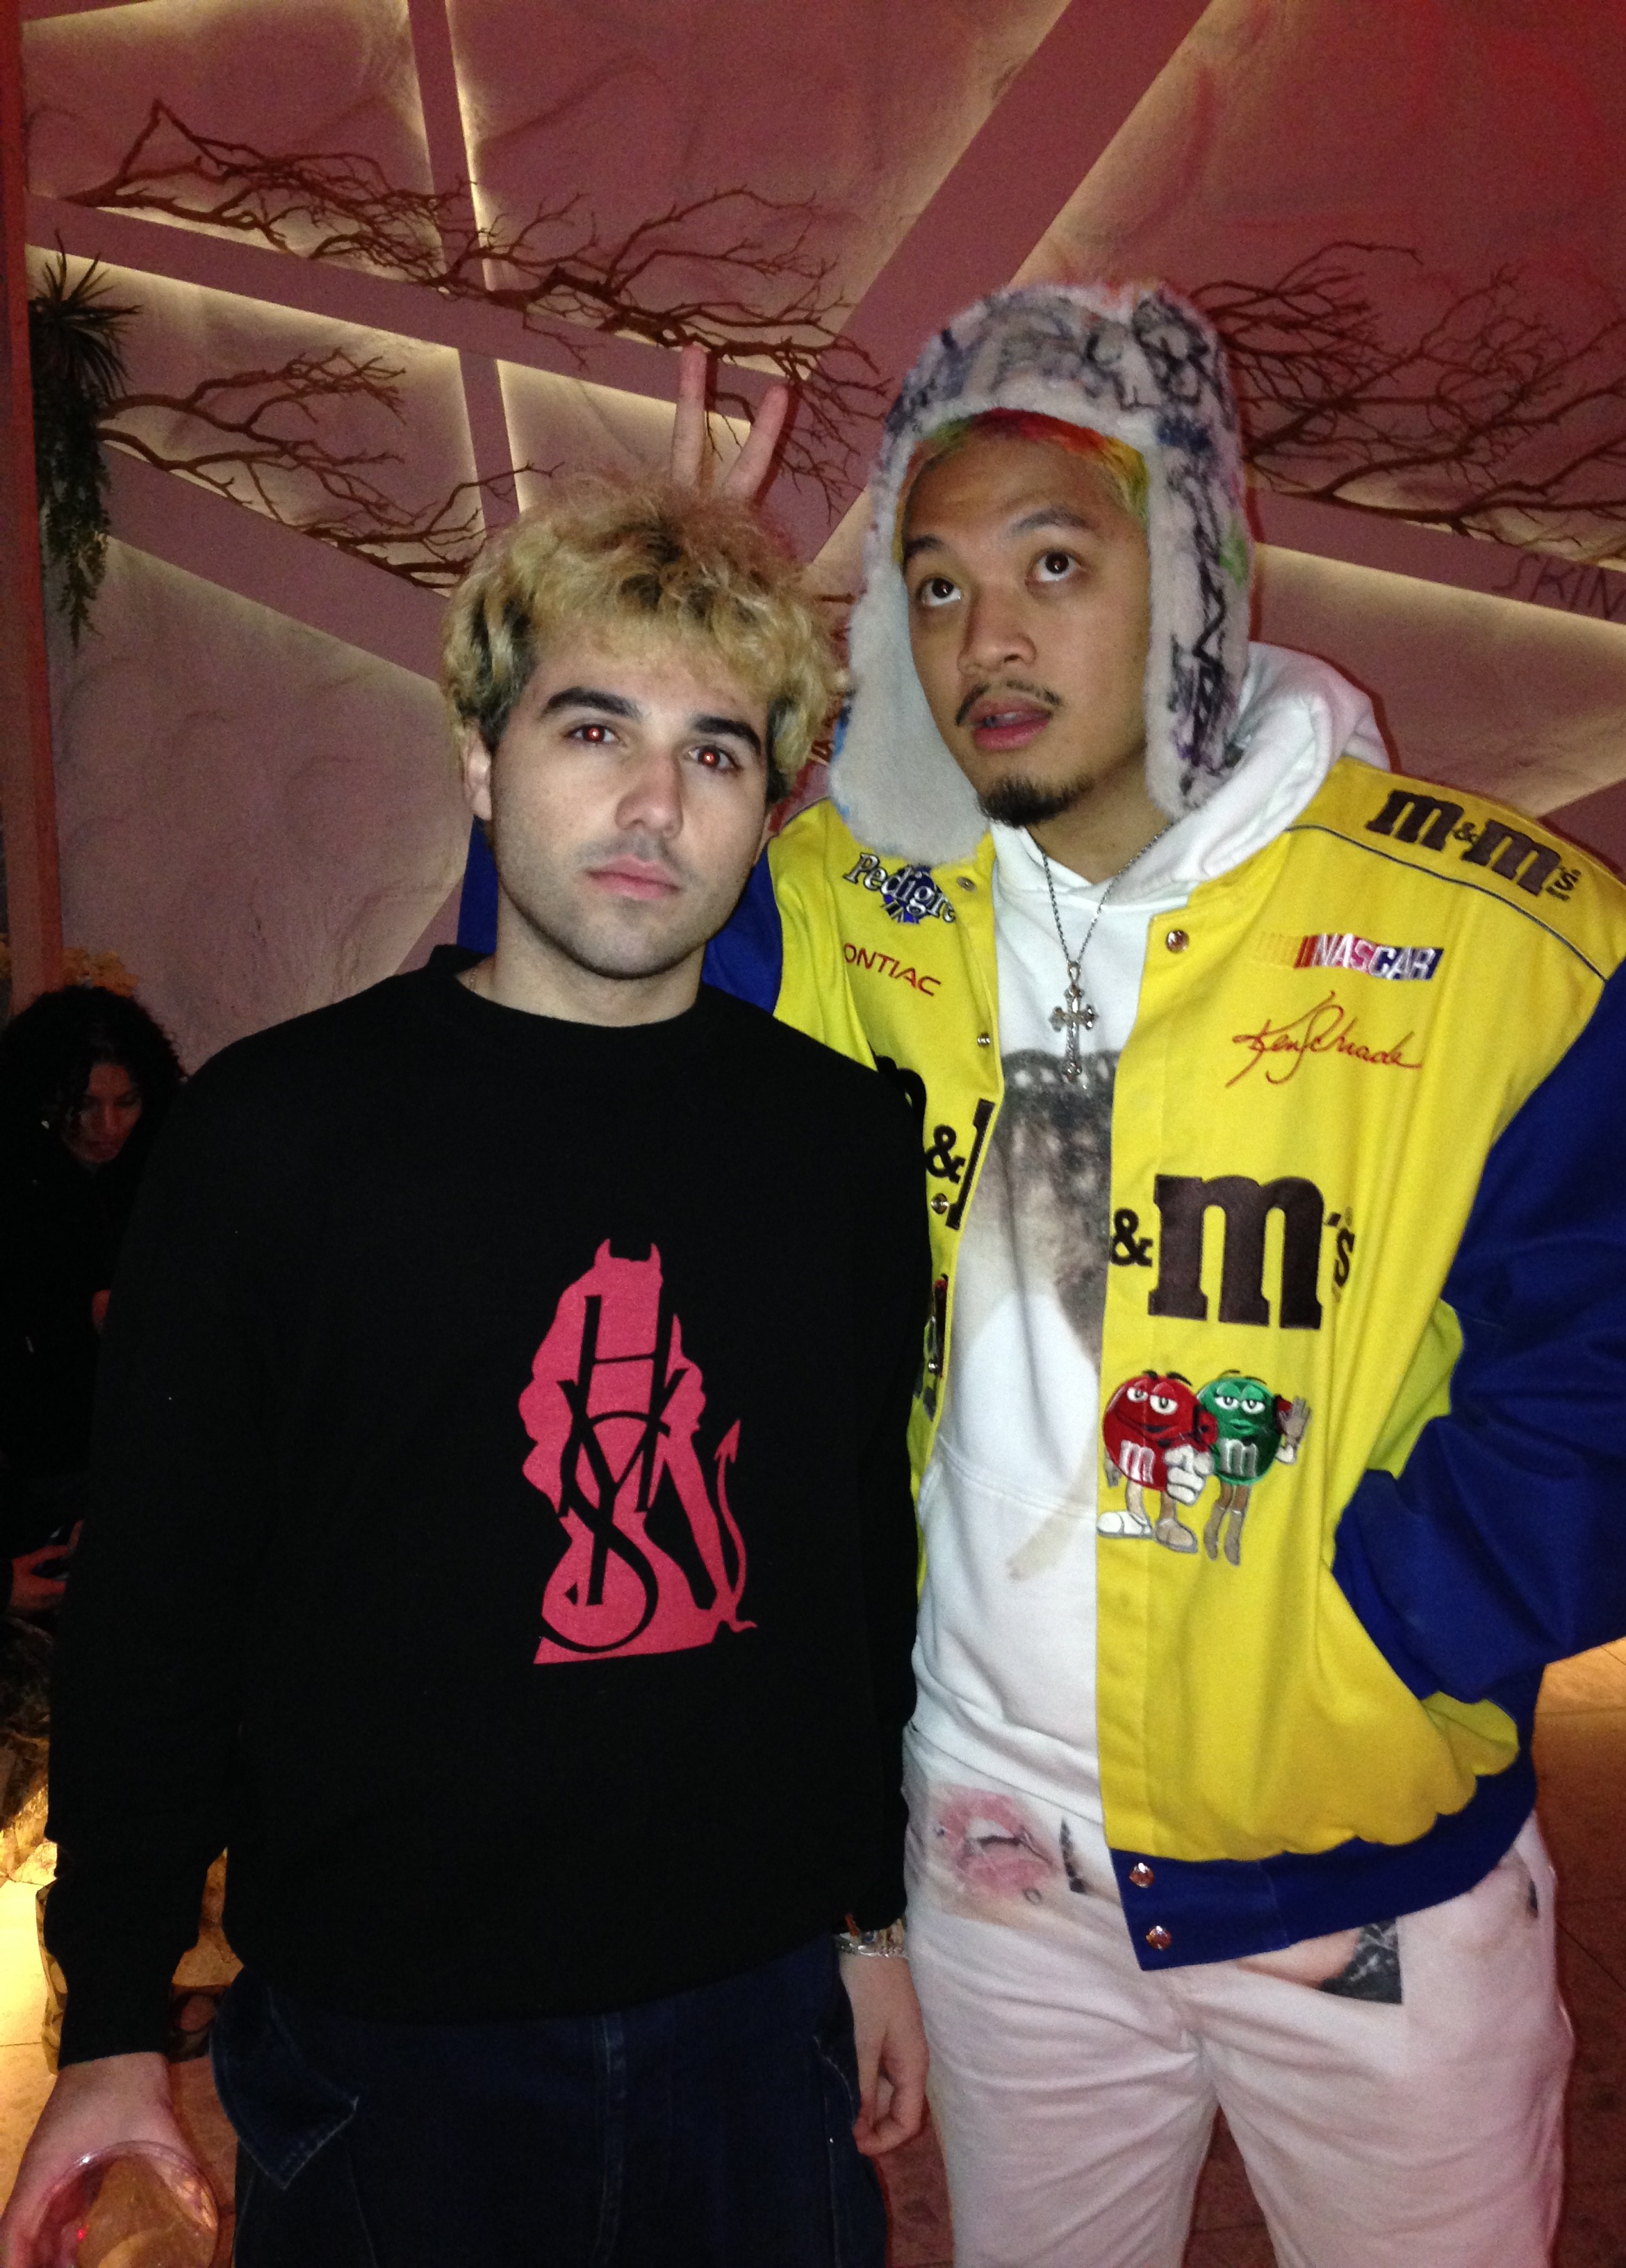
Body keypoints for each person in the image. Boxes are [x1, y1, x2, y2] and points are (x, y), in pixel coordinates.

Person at [701, 283, 1626, 2266]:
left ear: (1201, 562)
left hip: (1360, 1889)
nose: (984, 637)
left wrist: (1396, 1622)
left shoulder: (1506, 946)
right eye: (933, 583)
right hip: (989, 1864)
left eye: (1053, 563)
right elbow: (580, 969)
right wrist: (643, 682)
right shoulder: (852, 905)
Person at [1, 409, 930, 2268]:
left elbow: (847, 1567)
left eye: (715, 751)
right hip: (387, 2035)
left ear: (769, 801)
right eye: (594, 730)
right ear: (482, 756)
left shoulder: (836, 1145)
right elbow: (159, 1600)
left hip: (752, 2011)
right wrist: (111, 2012)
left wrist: (871, 1918)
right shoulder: (271, 1140)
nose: (654, 805)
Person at [0, 985, 182, 1615]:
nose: (108, 1128)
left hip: (135, 1444)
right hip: (40, 1459)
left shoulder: (162, 1167)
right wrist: (84, 1317)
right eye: (83, 1104)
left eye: (126, 1102)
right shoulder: (16, 1179)